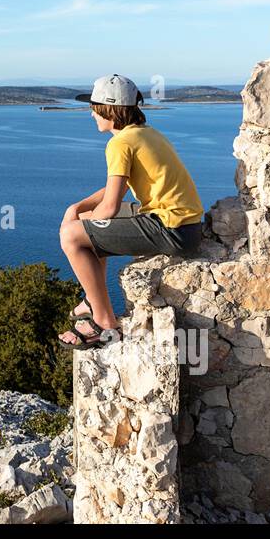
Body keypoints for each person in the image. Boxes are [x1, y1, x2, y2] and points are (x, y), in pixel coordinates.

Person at [58, 74, 203, 349]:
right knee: (85, 222)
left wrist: (82, 228)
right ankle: (93, 297)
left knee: (71, 236)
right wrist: (78, 209)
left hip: (170, 228)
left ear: (110, 111)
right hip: (185, 224)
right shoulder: (146, 134)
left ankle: (103, 323)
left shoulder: (120, 143)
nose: (91, 113)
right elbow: (118, 187)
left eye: (94, 107)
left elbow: (111, 206)